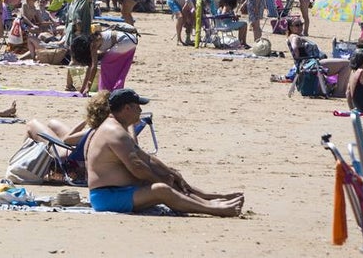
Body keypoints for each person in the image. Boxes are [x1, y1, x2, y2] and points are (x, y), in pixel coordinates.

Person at [85, 88, 244, 216]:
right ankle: (214, 209)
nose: (140, 110)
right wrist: (159, 180)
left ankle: (209, 199)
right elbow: (137, 167)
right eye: (138, 106)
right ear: (127, 108)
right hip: (107, 197)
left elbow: (147, 159)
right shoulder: (114, 132)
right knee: (161, 189)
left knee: (169, 176)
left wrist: (170, 174)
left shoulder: (117, 128)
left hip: (121, 191)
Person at [285, 18, 350, 97]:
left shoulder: (298, 37)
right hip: (312, 64)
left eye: (301, 24)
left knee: (346, 64)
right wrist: (302, 58)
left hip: (312, 62)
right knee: (347, 64)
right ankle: (339, 92)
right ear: (290, 27)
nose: (300, 27)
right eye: (297, 25)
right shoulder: (294, 37)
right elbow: (294, 47)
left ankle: (340, 90)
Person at [70, 27, 139, 94]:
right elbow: (90, 67)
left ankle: (106, 90)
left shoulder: (93, 44)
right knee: (117, 66)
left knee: (106, 63)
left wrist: (88, 87)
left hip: (124, 41)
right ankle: (115, 88)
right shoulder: (95, 38)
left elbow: (94, 67)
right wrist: (83, 88)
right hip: (131, 41)